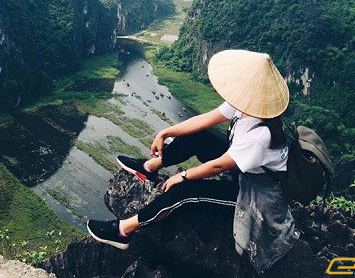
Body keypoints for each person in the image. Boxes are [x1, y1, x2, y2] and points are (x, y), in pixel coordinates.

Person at [86, 49, 300, 274]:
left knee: (185, 191)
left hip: (254, 193)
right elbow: (204, 120)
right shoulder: (246, 106)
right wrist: (165, 133)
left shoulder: (261, 135)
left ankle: (123, 231)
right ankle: (150, 168)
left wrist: (183, 175)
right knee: (198, 137)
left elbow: (218, 165)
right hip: (244, 170)